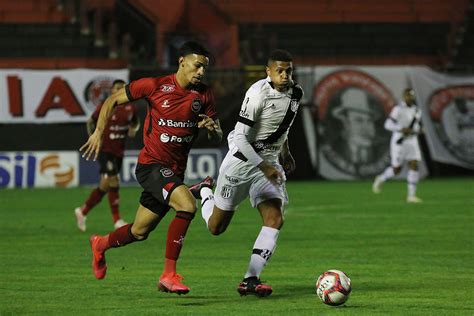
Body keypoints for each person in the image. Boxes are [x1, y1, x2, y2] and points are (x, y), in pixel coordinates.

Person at [80, 41, 223, 295]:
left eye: (205, 68)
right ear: (182, 61)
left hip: (174, 172)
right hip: (151, 166)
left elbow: (218, 135)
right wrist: (99, 133)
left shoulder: (205, 95)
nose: (201, 72)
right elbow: (113, 99)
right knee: (187, 205)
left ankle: (100, 244)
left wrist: (213, 130)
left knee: (139, 231)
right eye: (197, 65)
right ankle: (169, 274)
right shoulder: (155, 86)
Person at [189, 49, 303, 297]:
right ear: (268, 72)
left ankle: (250, 279)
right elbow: (240, 138)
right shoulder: (257, 93)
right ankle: (205, 191)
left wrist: (285, 152)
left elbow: (280, 127)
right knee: (216, 227)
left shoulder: (296, 94)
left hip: (268, 165)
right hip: (241, 165)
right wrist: (265, 166)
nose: (285, 75)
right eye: (279, 71)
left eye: (289, 70)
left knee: (275, 219)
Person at [74, 79, 139, 232]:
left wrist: (133, 129)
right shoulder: (107, 106)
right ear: (111, 90)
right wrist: (94, 139)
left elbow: (135, 123)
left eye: (122, 88)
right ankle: (117, 220)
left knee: (105, 185)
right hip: (105, 150)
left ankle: (82, 211)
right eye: (117, 88)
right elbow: (91, 121)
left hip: (119, 152)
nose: (119, 90)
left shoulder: (130, 107)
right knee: (114, 181)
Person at [372, 88, 423, 203]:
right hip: (399, 141)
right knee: (396, 169)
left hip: (412, 141)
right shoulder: (398, 109)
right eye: (407, 96)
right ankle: (381, 178)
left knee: (414, 164)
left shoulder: (417, 110)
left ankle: (411, 195)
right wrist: (400, 129)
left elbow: (415, 126)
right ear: (404, 97)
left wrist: (419, 130)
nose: (409, 98)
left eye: (411, 96)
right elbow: (388, 124)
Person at [332, 88, 379, 165]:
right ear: (346, 123)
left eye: (369, 121)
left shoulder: (380, 151)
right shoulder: (335, 149)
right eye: (359, 120)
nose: (366, 128)